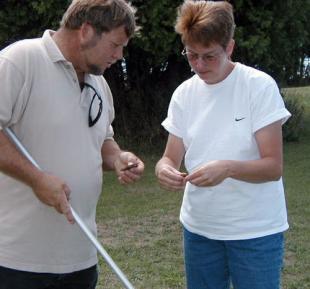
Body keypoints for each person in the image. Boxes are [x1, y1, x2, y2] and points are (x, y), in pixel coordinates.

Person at [0, 0, 144, 288]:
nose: (119, 55)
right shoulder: (19, 60)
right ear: (86, 30)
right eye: (115, 44)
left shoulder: (99, 83)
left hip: (81, 256)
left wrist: (117, 158)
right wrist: (37, 179)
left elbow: (103, 139)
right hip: (17, 260)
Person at [155, 1, 291, 289]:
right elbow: (169, 157)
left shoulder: (259, 87)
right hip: (199, 230)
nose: (199, 65)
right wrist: (164, 169)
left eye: (209, 56)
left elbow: (273, 167)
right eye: (192, 55)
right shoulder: (183, 94)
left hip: (255, 232)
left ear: (229, 47)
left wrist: (227, 168)